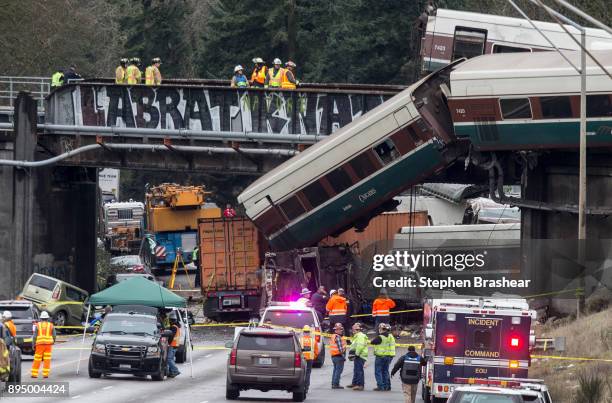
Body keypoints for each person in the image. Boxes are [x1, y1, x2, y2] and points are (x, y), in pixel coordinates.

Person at [370, 322, 396, 391]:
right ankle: (387, 386)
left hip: (380, 356)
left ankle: (380, 386)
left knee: (378, 371)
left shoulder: (380, 337)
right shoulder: (390, 336)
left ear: (380, 329)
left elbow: (372, 342)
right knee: (385, 371)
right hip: (387, 356)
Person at [31, 311, 56, 378]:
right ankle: (45, 374)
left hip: (39, 345)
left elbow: (34, 336)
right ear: (47, 318)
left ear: (41, 318)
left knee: (37, 359)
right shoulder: (51, 325)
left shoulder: (38, 325)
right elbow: (54, 335)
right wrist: (53, 341)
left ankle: (34, 374)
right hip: (48, 345)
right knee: (47, 359)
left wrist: (33, 344)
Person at [346, 322, 368, 391]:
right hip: (358, 355)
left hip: (360, 355)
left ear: (356, 330)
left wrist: (357, 354)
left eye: (353, 330)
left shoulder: (360, 336)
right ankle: (355, 383)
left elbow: (360, 346)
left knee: (359, 371)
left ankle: (360, 385)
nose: (352, 331)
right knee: (356, 370)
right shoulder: (357, 336)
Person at [329, 322, 347, 389]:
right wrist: (343, 357)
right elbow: (340, 349)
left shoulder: (333, 336)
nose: (341, 331)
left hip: (334, 356)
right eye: (340, 329)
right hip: (339, 356)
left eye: (341, 329)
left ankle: (333, 383)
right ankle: (336, 384)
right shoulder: (338, 337)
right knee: (338, 371)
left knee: (335, 370)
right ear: (336, 330)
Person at [300, 325, 315, 393]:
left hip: (302, 359)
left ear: (303, 332)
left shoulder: (300, 340)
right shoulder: (313, 340)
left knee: (302, 373)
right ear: (309, 332)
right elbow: (316, 351)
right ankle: (306, 387)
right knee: (308, 373)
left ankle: (301, 386)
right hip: (310, 359)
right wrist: (313, 356)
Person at [166, 312, 181, 378]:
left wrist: (168, 343)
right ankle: (171, 372)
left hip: (172, 345)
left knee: (169, 359)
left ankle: (175, 370)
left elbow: (171, 336)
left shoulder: (174, 327)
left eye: (170, 320)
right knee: (171, 359)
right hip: (175, 345)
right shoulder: (177, 326)